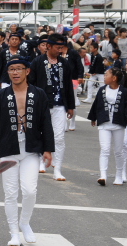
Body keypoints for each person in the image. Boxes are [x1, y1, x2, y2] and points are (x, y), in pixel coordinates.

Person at [0, 55, 54, 246]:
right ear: (8, 72)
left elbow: (46, 123)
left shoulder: (38, 94)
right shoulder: (2, 95)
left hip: (31, 149)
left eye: (19, 69)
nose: (15, 73)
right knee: (10, 193)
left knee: (29, 190)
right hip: (9, 149)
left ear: (27, 71)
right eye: (12, 70)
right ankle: (14, 232)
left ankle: (25, 222)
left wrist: (48, 149)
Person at [28, 34, 75, 181]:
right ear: (48, 46)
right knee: (41, 135)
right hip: (42, 105)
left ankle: (57, 169)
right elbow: (31, 84)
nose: (60, 50)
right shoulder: (37, 62)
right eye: (57, 47)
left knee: (59, 137)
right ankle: (41, 161)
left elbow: (68, 85)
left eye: (62, 47)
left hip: (60, 105)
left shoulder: (64, 63)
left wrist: (71, 106)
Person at [88, 68, 127, 186]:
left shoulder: (124, 92)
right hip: (104, 123)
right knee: (105, 149)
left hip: (118, 123)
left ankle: (119, 175)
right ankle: (103, 175)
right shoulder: (102, 90)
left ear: (114, 78)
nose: (104, 76)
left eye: (106, 75)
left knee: (118, 151)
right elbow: (96, 104)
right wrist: (93, 117)